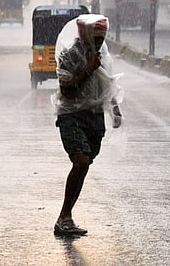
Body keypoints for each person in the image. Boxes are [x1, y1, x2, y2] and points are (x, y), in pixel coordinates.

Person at [52, 14, 123, 237]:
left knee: (84, 166)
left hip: (94, 118)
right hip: (72, 116)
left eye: (102, 39)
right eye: (96, 38)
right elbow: (67, 89)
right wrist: (88, 69)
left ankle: (67, 217)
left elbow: (107, 82)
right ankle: (64, 216)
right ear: (85, 36)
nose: (100, 43)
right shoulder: (70, 55)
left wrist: (115, 110)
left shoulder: (101, 54)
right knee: (80, 161)